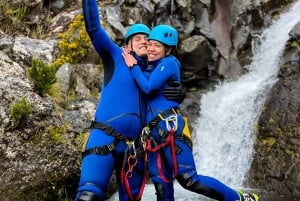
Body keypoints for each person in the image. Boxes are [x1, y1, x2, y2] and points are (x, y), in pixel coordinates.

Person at [122, 24, 259, 201]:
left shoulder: (169, 63)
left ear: (168, 50)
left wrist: (133, 66)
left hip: (170, 128)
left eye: (157, 46)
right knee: (161, 184)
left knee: (188, 179)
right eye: (150, 44)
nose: (151, 49)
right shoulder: (149, 68)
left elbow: (148, 88)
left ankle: (238, 198)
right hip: (153, 135)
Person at [76, 1, 185, 201]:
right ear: (127, 45)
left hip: (134, 148)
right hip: (104, 137)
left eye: (148, 38)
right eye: (138, 38)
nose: (144, 41)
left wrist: (180, 91)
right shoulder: (116, 56)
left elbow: (163, 98)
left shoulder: (153, 72)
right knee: (89, 195)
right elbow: (93, 27)